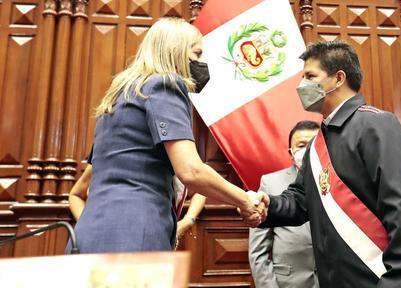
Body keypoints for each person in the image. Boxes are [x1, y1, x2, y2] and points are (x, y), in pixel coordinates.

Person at [245, 40, 401, 288]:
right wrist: (268, 207)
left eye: (310, 76)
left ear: (338, 78)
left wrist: (397, 282)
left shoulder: (378, 124)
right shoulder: (319, 142)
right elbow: (300, 201)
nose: (301, 85)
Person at [67, 17, 262, 254]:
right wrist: (244, 200)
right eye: (197, 53)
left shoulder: (118, 98)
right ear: (176, 52)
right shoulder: (165, 85)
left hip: (89, 234)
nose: (200, 63)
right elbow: (190, 171)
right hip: (133, 235)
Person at [249, 120, 330, 288]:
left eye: (313, 144)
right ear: (290, 151)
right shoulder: (270, 182)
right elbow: (258, 248)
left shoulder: (336, 181)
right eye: (302, 145)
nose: (308, 150)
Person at [68, 163, 206, 243]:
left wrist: (188, 221)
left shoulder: (174, 163)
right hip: (105, 243)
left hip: (153, 242)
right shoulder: (108, 156)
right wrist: (90, 225)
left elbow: (201, 190)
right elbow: (75, 195)